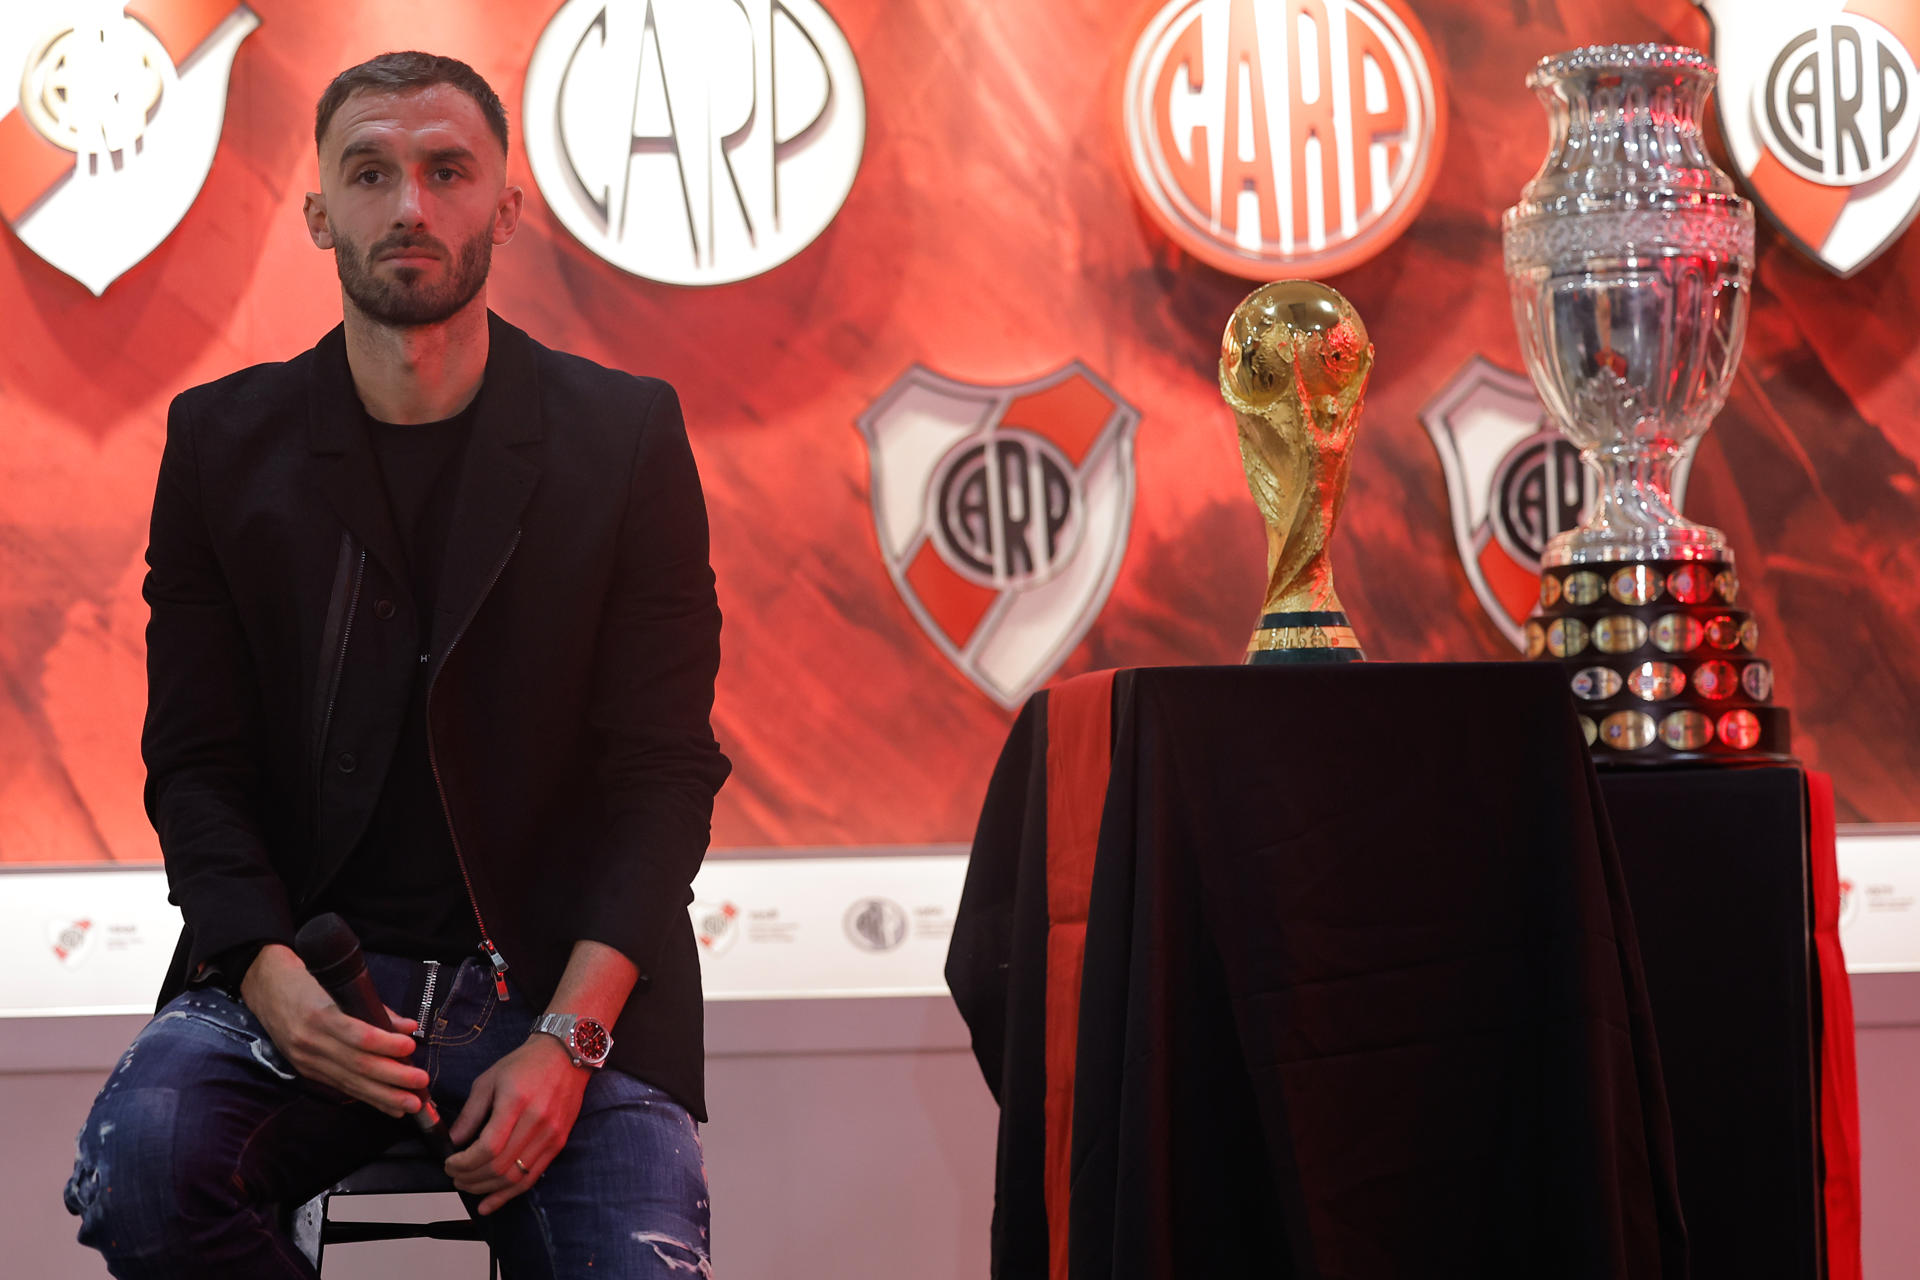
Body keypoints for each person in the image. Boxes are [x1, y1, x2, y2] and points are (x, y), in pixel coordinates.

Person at [62, 51, 729, 1279]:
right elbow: (194, 766)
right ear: (320, 211)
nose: (409, 206)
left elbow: (663, 774)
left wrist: (569, 1038)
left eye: (447, 170)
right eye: (369, 173)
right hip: (309, 976)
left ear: (507, 207)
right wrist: (265, 978)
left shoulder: (624, 435)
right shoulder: (222, 443)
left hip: (554, 989)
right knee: (142, 1163)